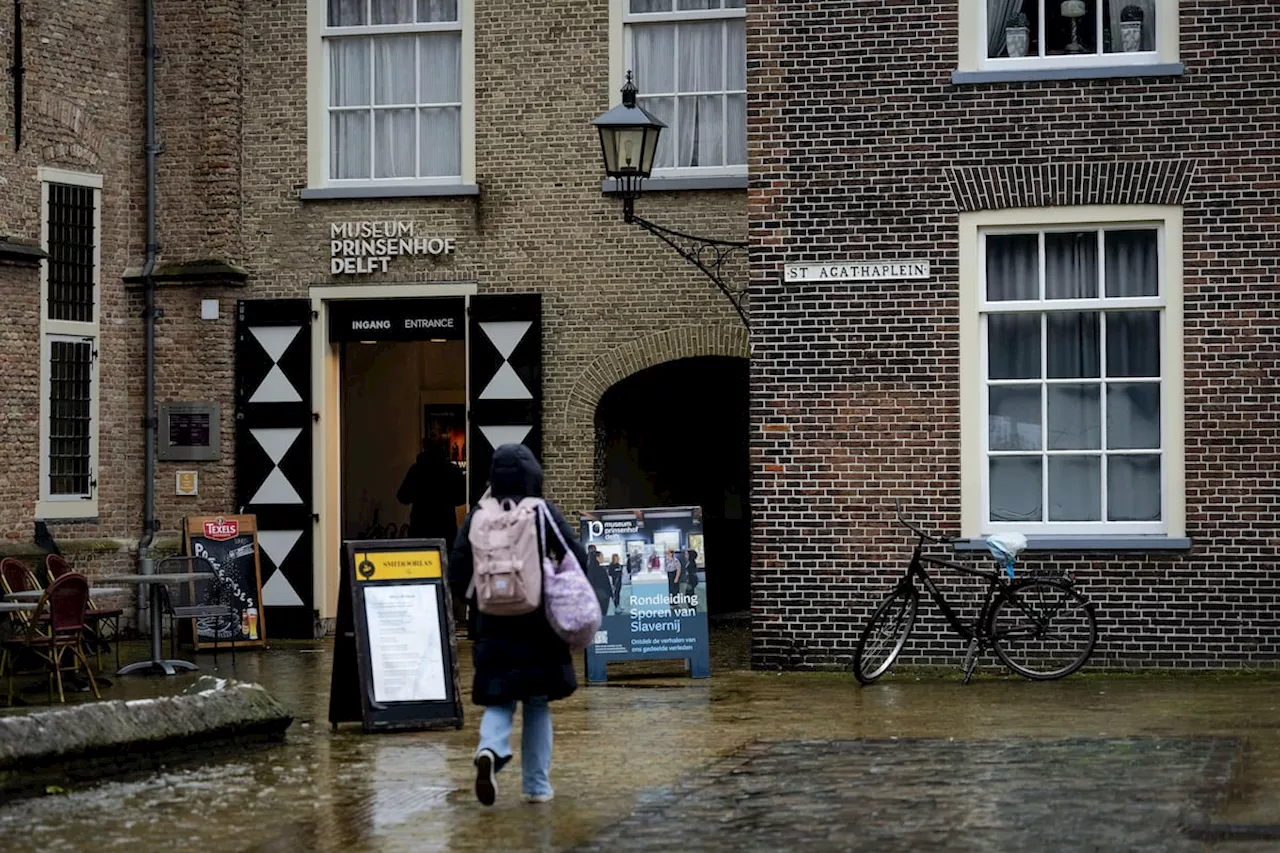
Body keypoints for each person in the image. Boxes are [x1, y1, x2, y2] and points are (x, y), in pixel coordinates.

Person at [448, 443, 589, 807]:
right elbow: (577, 556)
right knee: (538, 703)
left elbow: (458, 572)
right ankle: (537, 787)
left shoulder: (478, 515)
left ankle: (489, 750)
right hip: (539, 624)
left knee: (500, 697)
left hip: (493, 624)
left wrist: (482, 602)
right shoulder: (541, 512)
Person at [397, 439, 466, 542]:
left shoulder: (417, 469)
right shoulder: (451, 470)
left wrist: (420, 496)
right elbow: (461, 497)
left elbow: (402, 496)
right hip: (445, 526)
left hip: (420, 525)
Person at [585, 544, 611, 618]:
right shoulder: (600, 569)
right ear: (597, 558)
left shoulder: (589, 567)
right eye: (602, 556)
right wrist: (610, 594)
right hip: (602, 595)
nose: (603, 558)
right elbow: (606, 583)